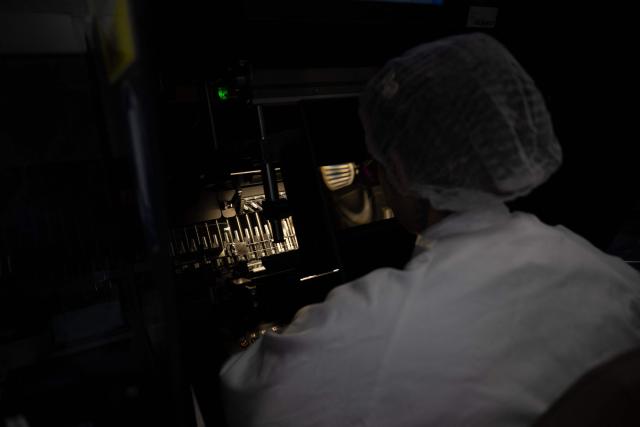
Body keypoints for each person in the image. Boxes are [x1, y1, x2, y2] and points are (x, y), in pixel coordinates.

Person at [219, 33, 640, 426]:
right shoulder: (609, 274)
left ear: (399, 170)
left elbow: (249, 396)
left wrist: (252, 334)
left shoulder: (370, 325)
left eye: (378, 164)